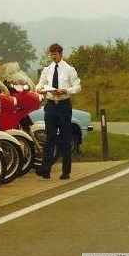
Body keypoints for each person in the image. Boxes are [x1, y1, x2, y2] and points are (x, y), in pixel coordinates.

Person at [35, 43, 81, 180]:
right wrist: (39, 89)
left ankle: (66, 171)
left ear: (61, 54)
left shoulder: (69, 69)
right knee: (50, 137)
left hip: (63, 105)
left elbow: (77, 86)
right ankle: (45, 169)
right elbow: (40, 83)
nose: (53, 56)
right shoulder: (47, 69)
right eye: (51, 54)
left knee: (65, 138)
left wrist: (66, 90)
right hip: (50, 105)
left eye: (55, 54)